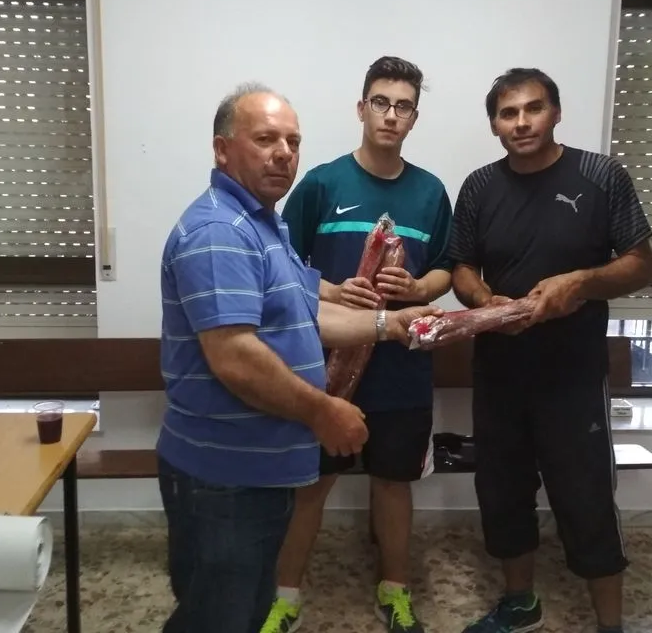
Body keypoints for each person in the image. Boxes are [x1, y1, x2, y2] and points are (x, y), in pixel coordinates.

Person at [156, 82, 441, 633]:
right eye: (265, 139)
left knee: (244, 606)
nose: (283, 153)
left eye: (293, 141)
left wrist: (390, 325)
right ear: (222, 150)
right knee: (218, 615)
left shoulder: (264, 224)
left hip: (257, 468)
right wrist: (322, 410)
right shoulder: (219, 232)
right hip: (225, 477)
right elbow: (235, 355)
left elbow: (305, 312)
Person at [446, 67, 652, 633]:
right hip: (499, 372)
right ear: (494, 124)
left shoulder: (602, 175)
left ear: (556, 113)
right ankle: (521, 605)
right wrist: (485, 300)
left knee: (586, 499)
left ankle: (610, 624)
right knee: (502, 492)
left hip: (574, 376)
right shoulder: (479, 186)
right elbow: (461, 266)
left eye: (533, 108)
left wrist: (581, 282)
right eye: (508, 113)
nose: (521, 123)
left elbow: (642, 265)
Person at [261, 57, 454, 633]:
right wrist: (332, 290)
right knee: (312, 484)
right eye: (381, 102)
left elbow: (446, 268)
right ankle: (284, 598)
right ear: (361, 108)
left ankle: (395, 591)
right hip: (324, 368)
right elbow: (282, 263)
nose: (391, 115)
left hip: (401, 370)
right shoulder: (322, 184)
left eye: (403, 106)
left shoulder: (430, 192)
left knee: (393, 483)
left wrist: (418, 288)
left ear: (414, 117)